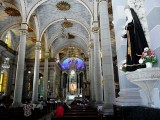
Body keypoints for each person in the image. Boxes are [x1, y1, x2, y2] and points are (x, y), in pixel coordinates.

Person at [121, 5, 149, 71]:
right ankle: (132, 64)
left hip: (135, 37)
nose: (126, 13)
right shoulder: (128, 20)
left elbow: (135, 27)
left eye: (127, 11)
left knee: (136, 49)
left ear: (130, 11)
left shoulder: (133, 18)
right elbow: (127, 30)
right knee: (130, 51)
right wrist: (123, 34)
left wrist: (126, 27)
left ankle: (139, 63)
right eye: (125, 12)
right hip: (130, 39)